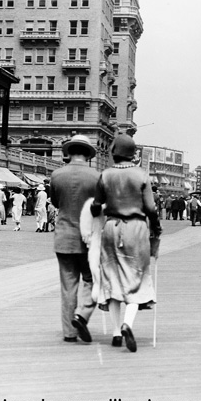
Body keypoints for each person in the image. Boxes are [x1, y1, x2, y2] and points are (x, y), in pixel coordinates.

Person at [91, 134, 162, 352]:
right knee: (136, 277)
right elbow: (151, 208)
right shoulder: (141, 175)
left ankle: (114, 333)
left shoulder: (105, 174)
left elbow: (96, 205)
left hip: (112, 228)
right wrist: (156, 229)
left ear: (114, 152)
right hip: (136, 228)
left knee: (112, 277)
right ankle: (127, 324)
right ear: (133, 153)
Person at [49, 134, 100, 343]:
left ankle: (69, 332)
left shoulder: (56, 175)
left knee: (68, 286)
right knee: (92, 280)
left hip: (63, 236)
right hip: (89, 239)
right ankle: (83, 314)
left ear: (68, 153)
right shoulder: (96, 177)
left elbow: (55, 201)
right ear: (88, 154)